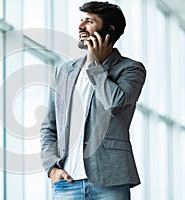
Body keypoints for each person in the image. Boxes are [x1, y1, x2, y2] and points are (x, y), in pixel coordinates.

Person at [40, 1, 146, 199]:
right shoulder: (64, 71)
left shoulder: (131, 69)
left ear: (109, 29)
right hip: (66, 182)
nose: (80, 26)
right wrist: (51, 167)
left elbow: (115, 104)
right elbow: (49, 126)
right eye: (81, 20)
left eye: (89, 21)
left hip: (110, 183)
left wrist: (94, 65)